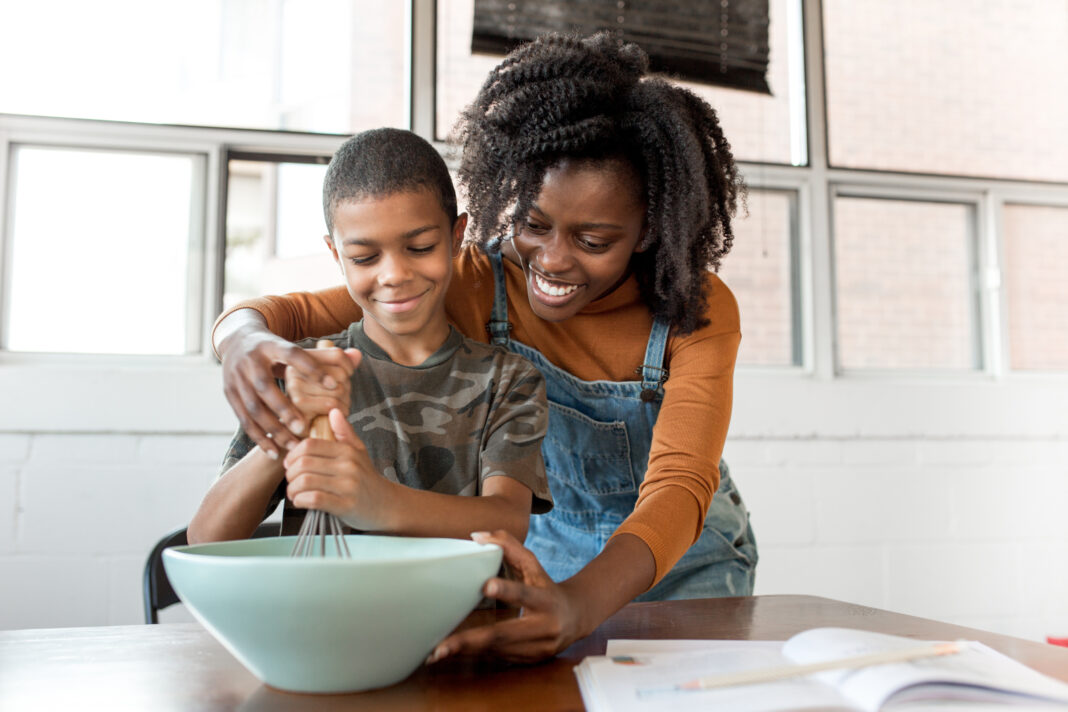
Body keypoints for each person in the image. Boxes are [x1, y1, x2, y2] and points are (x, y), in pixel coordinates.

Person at [211, 33, 757, 662]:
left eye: (594, 239)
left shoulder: (696, 311)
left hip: (679, 566)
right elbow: (292, 311)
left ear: (647, 231)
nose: (552, 259)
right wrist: (241, 339)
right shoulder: (474, 276)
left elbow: (680, 485)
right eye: (533, 225)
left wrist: (583, 604)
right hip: (542, 564)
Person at [188, 128, 551, 546]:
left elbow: (507, 523)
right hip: (326, 612)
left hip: (467, 614)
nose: (394, 275)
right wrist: (289, 424)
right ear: (336, 256)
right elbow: (205, 538)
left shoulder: (508, 380)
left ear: (455, 237)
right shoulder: (304, 373)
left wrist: (377, 501)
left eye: (420, 247)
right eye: (364, 257)